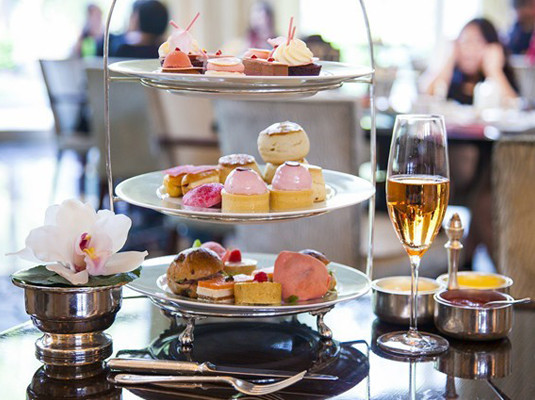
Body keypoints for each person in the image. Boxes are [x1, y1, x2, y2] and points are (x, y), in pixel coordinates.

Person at [425, 18, 518, 105]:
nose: (470, 50)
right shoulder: (450, 77)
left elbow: (514, 106)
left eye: (478, 42)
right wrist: (448, 60)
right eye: (465, 41)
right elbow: (426, 99)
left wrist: (494, 71)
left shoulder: (500, 78)